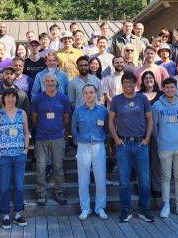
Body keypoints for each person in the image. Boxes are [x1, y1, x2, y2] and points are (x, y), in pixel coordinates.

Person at [108, 72, 154, 223]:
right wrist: (115, 138)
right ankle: (126, 210)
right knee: (124, 180)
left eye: (131, 82)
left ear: (136, 84)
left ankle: (144, 210)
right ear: (122, 84)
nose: (129, 85)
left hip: (141, 143)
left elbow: (150, 120)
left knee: (145, 180)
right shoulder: (116, 100)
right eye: (126, 82)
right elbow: (111, 121)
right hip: (123, 144)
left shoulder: (142, 99)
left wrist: (147, 138)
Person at [0, 89, 30, 229]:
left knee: (19, 185)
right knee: (4, 187)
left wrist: (26, 149)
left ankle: (18, 214)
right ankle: (5, 215)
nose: (10, 99)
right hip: (3, 157)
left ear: (16, 99)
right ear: (3, 99)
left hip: (19, 155)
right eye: (8, 96)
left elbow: (26, 132)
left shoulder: (22, 113)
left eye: (13, 96)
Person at [152, 77, 178, 218]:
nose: (170, 90)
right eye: (167, 87)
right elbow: (154, 127)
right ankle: (166, 204)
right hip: (165, 146)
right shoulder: (157, 105)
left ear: (176, 88)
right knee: (166, 177)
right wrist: (161, 138)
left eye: (172, 87)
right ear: (163, 89)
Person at [31, 73, 71, 205]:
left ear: (56, 82)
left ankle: (59, 191)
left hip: (58, 137)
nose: (50, 83)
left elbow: (66, 119)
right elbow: (34, 119)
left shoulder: (63, 98)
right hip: (41, 136)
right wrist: (43, 129)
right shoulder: (37, 99)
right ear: (43, 83)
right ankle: (41, 192)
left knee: (58, 166)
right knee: (41, 166)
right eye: (47, 81)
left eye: (52, 81)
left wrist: (59, 130)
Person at [71, 85, 109, 220]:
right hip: (83, 147)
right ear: (83, 95)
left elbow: (107, 128)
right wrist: (80, 140)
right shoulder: (78, 111)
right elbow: (74, 129)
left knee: (100, 179)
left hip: (99, 146)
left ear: (96, 94)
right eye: (86, 93)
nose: (89, 95)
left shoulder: (103, 111)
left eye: (91, 92)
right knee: (83, 179)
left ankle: (100, 208)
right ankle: (85, 208)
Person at [140, 71, 163, 199]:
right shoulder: (138, 95)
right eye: (146, 78)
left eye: (151, 77)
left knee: (156, 161)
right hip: (141, 132)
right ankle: (144, 187)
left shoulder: (161, 95)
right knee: (142, 162)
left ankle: (156, 187)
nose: (148, 80)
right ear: (142, 81)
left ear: (154, 80)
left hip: (157, 132)